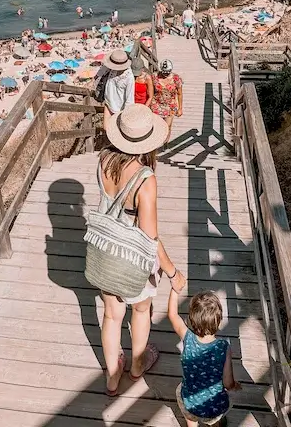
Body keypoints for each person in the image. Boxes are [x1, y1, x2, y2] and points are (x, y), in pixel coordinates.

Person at [96, 104, 186, 394]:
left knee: (111, 315)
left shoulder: (104, 160)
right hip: (133, 256)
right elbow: (150, 237)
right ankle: (136, 366)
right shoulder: (146, 180)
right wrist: (172, 272)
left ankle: (112, 376)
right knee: (141, 309)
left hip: (106, 249)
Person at [168, 289, 241, 426]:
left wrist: (175, 290)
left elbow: (172, 315)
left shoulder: (187, 337)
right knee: (217, 414)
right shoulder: (223, 347)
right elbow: (228, 383)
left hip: (189, 402)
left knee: (185, 403)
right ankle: (215, 423)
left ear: (191, 320)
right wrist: (234, 385)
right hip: (214, 405)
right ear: (218, 322)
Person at [150, 59, 183, 144]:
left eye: (168, 72)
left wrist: (180, 108)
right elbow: (150, 91)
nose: (166, 74)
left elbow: (179, 94)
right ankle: (156, 142)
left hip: (170, 105)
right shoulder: (154, 77)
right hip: (156, 104)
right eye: (164, 72)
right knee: (156, 125)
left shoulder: (176, 78)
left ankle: (165, 142)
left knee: (168, 126)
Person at [101, 49, 135, 130]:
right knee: (106, 128)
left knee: (116, 130)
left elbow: (129, 98)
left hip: (120, 108)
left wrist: (126, 115)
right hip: (109, 102)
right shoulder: (112, 69)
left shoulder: (129, 78)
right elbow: (101, 71)